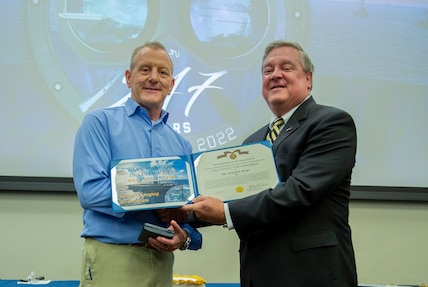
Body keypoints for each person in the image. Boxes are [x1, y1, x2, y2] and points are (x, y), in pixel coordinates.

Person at [182, 40, 358, 286]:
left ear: (308, 79)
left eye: (286, 67)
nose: (275, 74)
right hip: (258, 274)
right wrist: (179, 213)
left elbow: (300, 191)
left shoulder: (331, 123)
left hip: (311, 274)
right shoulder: (254, 140)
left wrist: (225, 213)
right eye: (268, 70)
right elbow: (230, 196)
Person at [73, 41, 202, 287]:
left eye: (162, 72)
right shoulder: (98, 124)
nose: (154, 78)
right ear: (129, 78)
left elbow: (186, 210)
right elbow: (90, 193)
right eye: (145, 70)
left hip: (163, 260)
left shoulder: (182, 146)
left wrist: (185, 234)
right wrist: (160, 198)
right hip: (114, 258)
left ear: (171, 85)